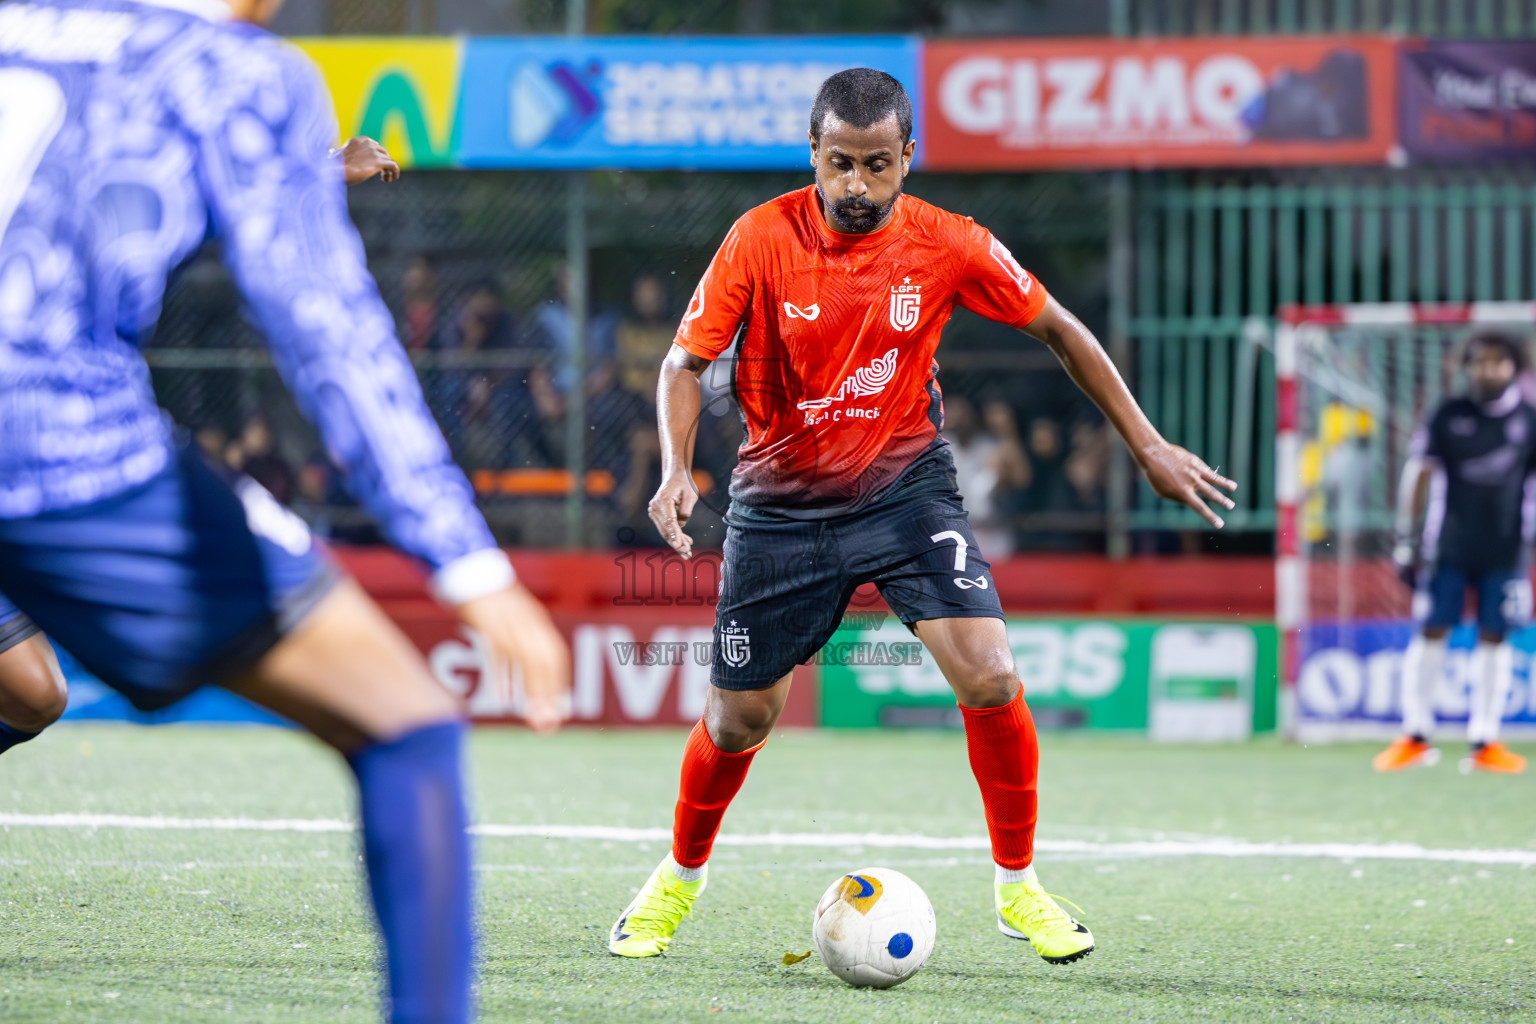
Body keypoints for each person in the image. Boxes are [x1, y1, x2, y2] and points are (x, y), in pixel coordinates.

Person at [0, 6, 571, 1024]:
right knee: (409, 727)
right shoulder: (234, 70)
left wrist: (305, 167)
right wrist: (468, 564)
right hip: (54, 446)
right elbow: (326, 328)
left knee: (29, 690)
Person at [610, 68, 1235, 967]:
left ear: (908, 156)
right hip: (781, 510)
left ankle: (1019, 888)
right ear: (813, 154)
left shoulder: (951, 242)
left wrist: (1147, 445)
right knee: (740, 720)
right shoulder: (759, 237)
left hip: (905, 489)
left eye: (876, 165)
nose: (857, 185)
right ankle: (677, 878)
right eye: (839, 163)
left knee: (990, 673)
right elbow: (683, 364)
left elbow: (1062, 328)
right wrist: (676, 468)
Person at [1377, 330, 1534, 775]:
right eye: (1479, 362)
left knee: (1495, 636)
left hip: (1506, 549)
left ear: (1514, 367)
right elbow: (1419, 474)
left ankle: (1485, 740)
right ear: (1468, 367)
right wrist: (1407, 541)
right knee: (1431, 631)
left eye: (1497, 362)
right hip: (1447, 548)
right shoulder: (1448, 414)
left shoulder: (1529, 420)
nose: (1488, 370)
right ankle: (1414, 736)